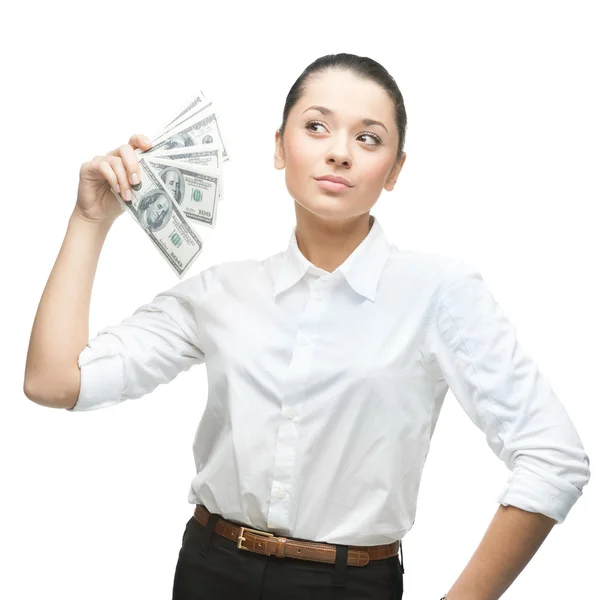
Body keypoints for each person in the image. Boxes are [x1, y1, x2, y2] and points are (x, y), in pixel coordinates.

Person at [23, 53, 590, 600]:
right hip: (208, 570)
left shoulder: (439, 292)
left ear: (394, 170)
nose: (340, 153)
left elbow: (552, 455)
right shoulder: (222, 292)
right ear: (279, 147)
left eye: (368, 138)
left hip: (351, 585)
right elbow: (54, 383)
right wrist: (90, 219)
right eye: (316, 126)